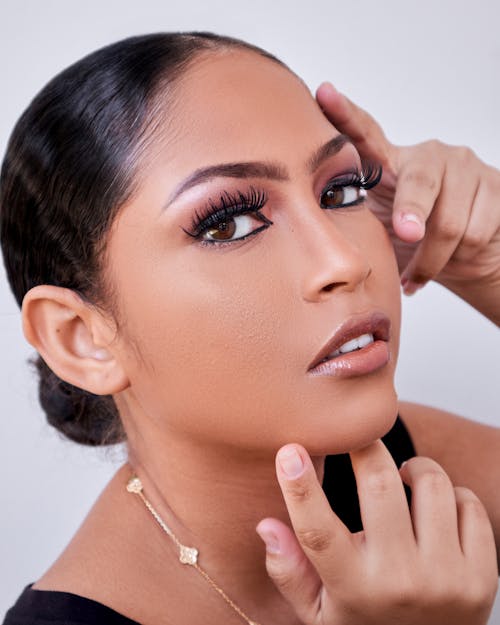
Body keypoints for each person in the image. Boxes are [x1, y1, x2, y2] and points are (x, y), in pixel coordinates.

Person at [1, 32, 498, 625]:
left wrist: (494, 265)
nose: (346, 261)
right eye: (229, 225)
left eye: (341, 190)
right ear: (80, 339)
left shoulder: (396, 474)